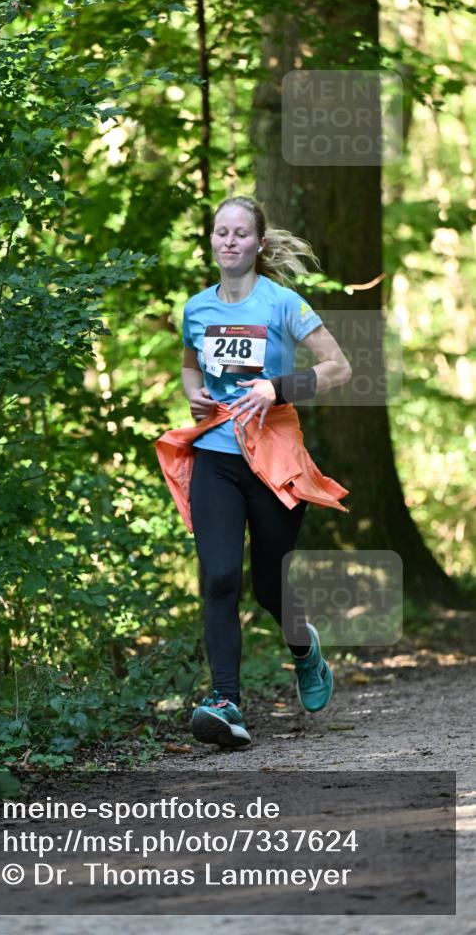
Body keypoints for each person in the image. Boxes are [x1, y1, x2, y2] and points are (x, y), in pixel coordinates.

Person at [161, 196, 352, 749]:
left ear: (258, 243)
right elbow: (190, 367)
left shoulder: (283, 303)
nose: (229, 241)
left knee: (270, 586)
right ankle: (226, 703)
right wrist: (195, 395)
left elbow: (339, 368)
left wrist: (277, 388)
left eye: (240, 233)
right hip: (216, 456)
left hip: (272, 459)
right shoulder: (197, 308)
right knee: (220, 578)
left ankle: (304, 650)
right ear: (211, 240)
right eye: (221, 232)